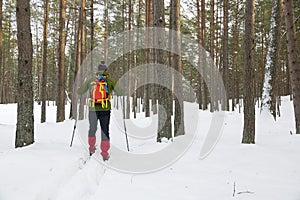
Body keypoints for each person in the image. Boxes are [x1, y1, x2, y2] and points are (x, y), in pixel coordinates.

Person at [77, 61, 116, 161]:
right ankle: (104, 153)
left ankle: (91, 149)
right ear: (106, 70)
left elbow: (80, 92)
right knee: (105, 130)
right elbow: (120, 92)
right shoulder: (109, 81)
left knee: (92, 129)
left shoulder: (91, 80)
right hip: (105, 109)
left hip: (92, 109)